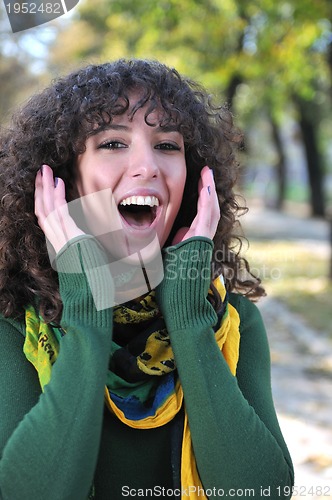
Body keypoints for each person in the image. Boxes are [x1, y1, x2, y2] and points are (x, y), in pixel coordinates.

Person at [0, 59, 294, 500]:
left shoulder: (231, 322)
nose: (147, 166)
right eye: (114, 142)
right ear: (63, 183)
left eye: (168, 146)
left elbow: (261, 492)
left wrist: (189, 318)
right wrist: (88, 304)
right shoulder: (13, 323)